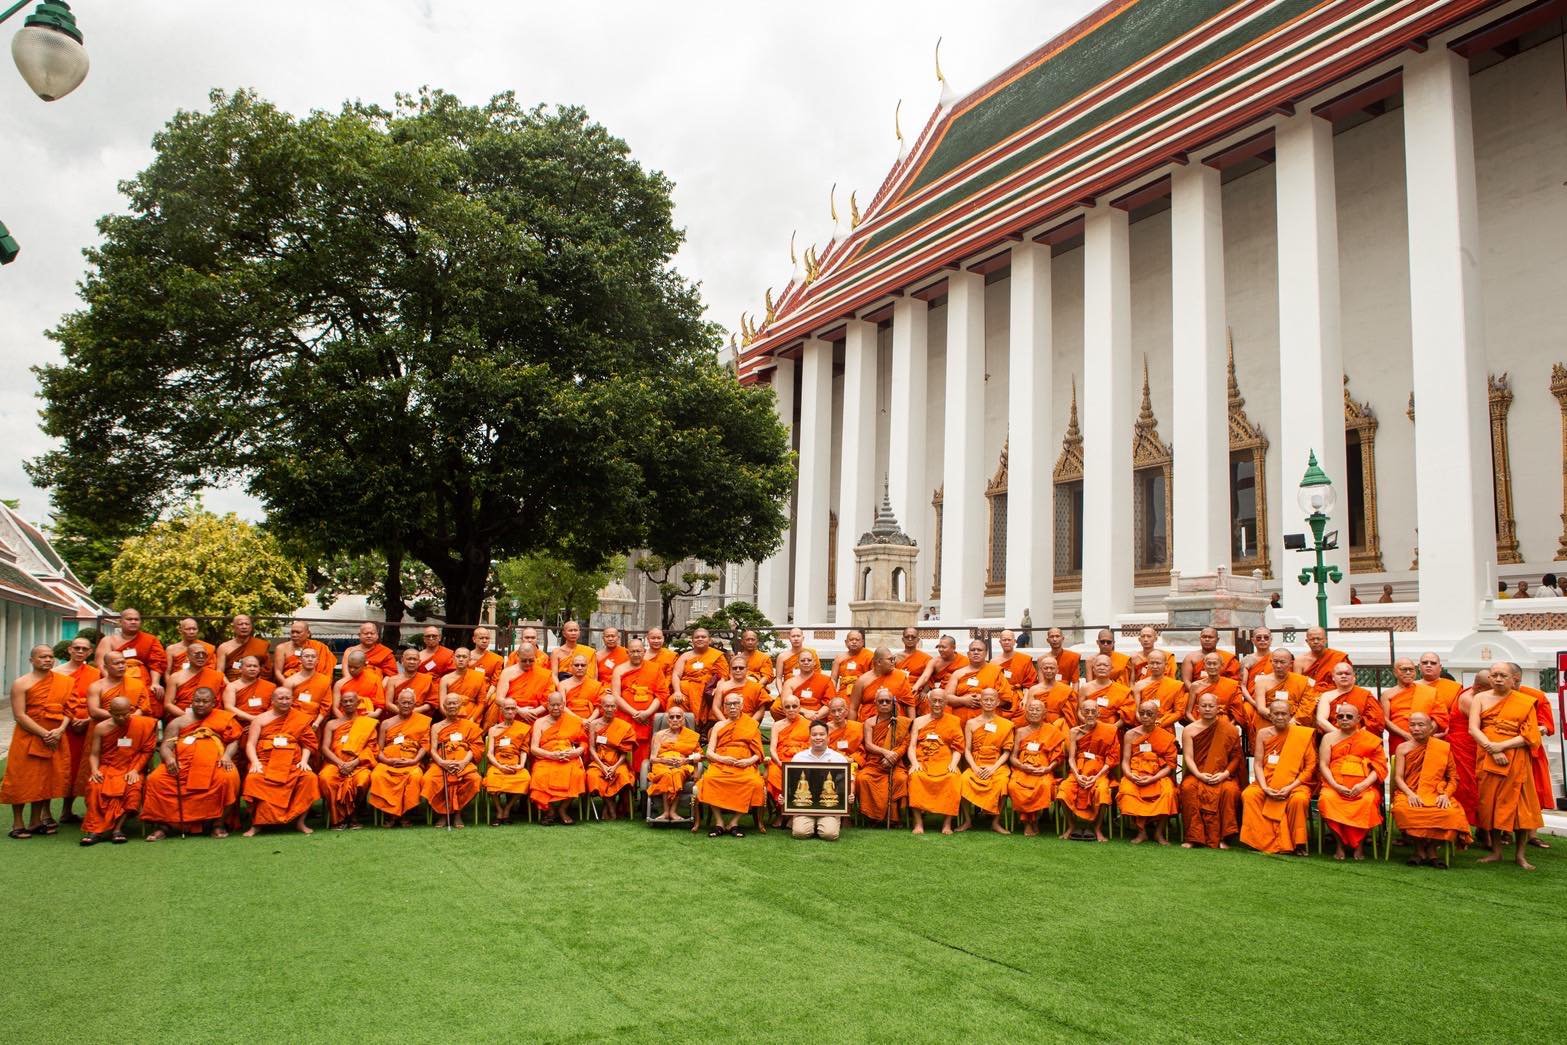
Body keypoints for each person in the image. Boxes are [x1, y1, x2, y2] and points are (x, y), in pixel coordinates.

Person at [142, 686, 243, 840]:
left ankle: (218, 823)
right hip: (182, 765)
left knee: (229, 778)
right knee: (155, 779)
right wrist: (169, 759)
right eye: (197, 701)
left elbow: (234, 740)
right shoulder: (178, 722)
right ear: (192, 701)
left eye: (205, 701)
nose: (200, 704)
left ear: (214, 703)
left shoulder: (224, 718)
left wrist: (227, 756)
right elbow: (166, 746)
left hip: (215, 764)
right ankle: (164, 825)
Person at [1470, 661, 1543, 870]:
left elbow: (1530, 735)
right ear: (1489, 678)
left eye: (1503, 675)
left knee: (1521, 808)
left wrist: (1501, 746)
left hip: (1516, 758)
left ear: (1514, 679)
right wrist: (1492, 749)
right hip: (1488, 756)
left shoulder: (1525, 702)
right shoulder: (1480, 698)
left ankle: (1520, 855)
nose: (1498, 679)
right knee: (1491, 804)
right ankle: (1496, 851)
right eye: (1494, 675)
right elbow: (1473, 728)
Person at [1, 645, 73, 838]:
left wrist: (60, 730)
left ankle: (35, 821)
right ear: (31, 660)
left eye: (50, 657)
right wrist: (44, 733)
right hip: (28, 736)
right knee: (20, 778)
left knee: (44, 779)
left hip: (55, 737)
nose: (48, 660)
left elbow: (69, 710)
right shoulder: (21, 683)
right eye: (42, 657)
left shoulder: (63, 682)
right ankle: (17, 824)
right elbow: (19, 715)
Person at [1391, 711, 1472, 866]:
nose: (1416, 728)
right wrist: (1410, 794)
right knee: (1404, 811)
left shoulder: (1442, 747)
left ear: (1430, 728)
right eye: (1412, 725)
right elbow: (1398, 778)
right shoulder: (1402, 748)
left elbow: (1453, 778)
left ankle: (1432, 848)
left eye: (1421, 725)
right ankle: (1419, 849)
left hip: (1436, 792)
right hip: (1409, 791)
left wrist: (1446, 795)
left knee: (1451, 813)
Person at [1239, 698, 1317, 856]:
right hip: (1267, 781)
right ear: (1270, 716)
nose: (1280, 717)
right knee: (1249, 795)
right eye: (1276, 714)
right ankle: (1259, 840)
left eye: (1283, 714)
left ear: (1290, 715)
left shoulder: (1301, 734)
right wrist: (1264, 787)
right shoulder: (1263, 734)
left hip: (1295, 784)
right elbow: (1258, 764)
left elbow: (1310, 767)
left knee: (1299, 799)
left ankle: (1297, 843)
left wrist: (1289, 787)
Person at [79, 696, 159, 846]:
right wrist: (95, 770)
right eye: (117, 715)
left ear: (131, 710)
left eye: (125, 714)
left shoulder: (142, 724)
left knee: (133, 787)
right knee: (95, 787)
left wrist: (135, 770)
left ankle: (118, 829)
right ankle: (95, 830)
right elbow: (94, 754)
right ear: (110, 712)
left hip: (132, 767)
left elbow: (147, 751)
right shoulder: (101, 727)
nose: (122, 718)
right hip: (108, 767)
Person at [241, 687, 319, 836]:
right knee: (253, 779)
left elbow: (308, 744)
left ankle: (300, 822)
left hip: (292, 764)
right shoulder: (260, 719)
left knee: (309, 778)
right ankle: (256, 824)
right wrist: (255, 762)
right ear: (272, 701)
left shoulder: (300, 718)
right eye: (280, 698)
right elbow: (250, 744)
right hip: (265, 762)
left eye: (287, 698)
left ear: (292, 700)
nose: (284, 701)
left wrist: (304, 761)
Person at [1317, 703, 1387, 861]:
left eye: (1349, 716)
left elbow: (1379, 767)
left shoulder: (1370, 739)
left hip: (1364, 787)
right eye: (1340, 716)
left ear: (1358, 719)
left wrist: (1363, 785)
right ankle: (1340, 844)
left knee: (1368, 801)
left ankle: (1359, 845)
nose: (1344, 719)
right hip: (1334, 786)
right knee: (1326, 799)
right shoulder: (1328, 738)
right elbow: (1323, 764)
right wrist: (1335, 785)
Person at [695, 691, 766, 836]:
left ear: (741, 706)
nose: (732, 707)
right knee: (709, 779)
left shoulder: (751, 725)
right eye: (729, 704)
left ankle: (734, 822)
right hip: (721, 764)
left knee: (754, 783)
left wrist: (748, 761)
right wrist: (722, 759)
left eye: (735, 703)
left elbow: (758, 753)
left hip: (744, 765)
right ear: (724, 708)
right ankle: (719, 822)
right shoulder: (718, 726)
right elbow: (709, 753)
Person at [1179, 693, 1243, 850]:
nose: (1207, 709)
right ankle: (1194, 837)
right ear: (1197, 708)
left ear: (1218, 708)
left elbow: (1236, 757)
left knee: (1230, 791)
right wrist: (1199, 775)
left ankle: (1224, 837)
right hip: (1198, 773)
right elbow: (1188, 757)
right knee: (1188, 788)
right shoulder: (1189, 730)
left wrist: (1225, 774)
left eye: (1211, 706)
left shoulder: (1230, 729)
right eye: (1204, 706)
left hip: (1223, 774)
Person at [1117, 699, 1178, 845]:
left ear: (1157, 715)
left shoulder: (1166, 736)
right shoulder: (1130, 734)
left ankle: (1158, 832)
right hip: (1135, 774)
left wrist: (1153, 778)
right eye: (1142, 713)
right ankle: (1141, 832)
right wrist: (1130, 775)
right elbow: (1125, 761)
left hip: (1157, 776)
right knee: (1127, 791)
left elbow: (1170, 765)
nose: (1145, 716)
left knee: (1168, 792)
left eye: (1149, 714)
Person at [369, 688, 431, 828]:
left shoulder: (423, 721)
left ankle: (405, 814)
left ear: (415, 704)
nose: (406, 705)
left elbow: (425, 746)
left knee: (415, 776)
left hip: (411, 762)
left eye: (409, 703)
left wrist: (414, 760)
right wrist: (386, 760)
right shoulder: (386, 723)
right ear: (397, 703)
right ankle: (390, 814)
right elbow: (378, 749)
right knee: (377, 775)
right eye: (403, 702)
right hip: (388, 762)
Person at [1059, 698, 1118, 842]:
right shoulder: (1075, 732)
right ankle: (1071, 826)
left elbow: (1112, 758)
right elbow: (1071, 758)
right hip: (1078, 771)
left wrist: (1096, 777)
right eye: (1086, 711)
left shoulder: (1110, 730)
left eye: (1093, 711)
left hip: (1099, 772)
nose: (1090, 714)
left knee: (1102, 791)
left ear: (1098, 713)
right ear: (1081, 713)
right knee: (1064, 789)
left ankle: (1097, 828)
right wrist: (1077, 775)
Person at [54, 636, 99, 824]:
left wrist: (88, 719)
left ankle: (68, 811)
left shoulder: (95, 673)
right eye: (77, 648)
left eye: (84, 649)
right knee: (62, 766)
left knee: (81, 767)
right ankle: (46, 813)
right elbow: (54, 700)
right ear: (70, 650)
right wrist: (70, 719)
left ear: (90, 652)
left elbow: (101, 699)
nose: (80, 652)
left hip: (88, 723)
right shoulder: (56, 673)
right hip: (63, 725)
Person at [907, 690, 964, 835]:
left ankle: (947, 824)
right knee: (915, 777)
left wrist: (953, 764)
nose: (937, 704)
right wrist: (914, 763)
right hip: (923, 761)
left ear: (946, 703)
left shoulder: (954, 721)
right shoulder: (918, 721)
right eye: (934, 701)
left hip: (944, 761)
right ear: (929, 701)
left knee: (953, 777)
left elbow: (958, 748)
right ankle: (918, 823)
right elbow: (912, 746)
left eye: (941, 701)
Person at [423, 692, 483, 828]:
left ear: (460, 706)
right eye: (449, 704)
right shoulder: (436, 726)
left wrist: (463, 763)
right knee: (429, 779)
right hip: (441, 762)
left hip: (463, 763)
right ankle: (443, 814)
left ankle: (457, 813)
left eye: (455, 703)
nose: (452, 706)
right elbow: (432, 750)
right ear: (444, 707)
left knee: (474, 779)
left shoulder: (469, 725)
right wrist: (442, 763)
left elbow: (476, 747)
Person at [319, 690, 378, 830]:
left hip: (359, 765)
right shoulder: (332, 724)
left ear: (358, 703)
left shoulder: (367, 724)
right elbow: (325, 748)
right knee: (326, 778)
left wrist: (353, 763)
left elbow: (371, 749)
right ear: (340, 704)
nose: (348, 703)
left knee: (362, 780)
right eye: (345, 701)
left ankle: (354, 816)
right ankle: (337, 818)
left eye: (351, 700)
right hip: (334, 764)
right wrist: (340, 763)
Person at [958, 688, 1013, 833]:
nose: (988, 702)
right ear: (981, 702)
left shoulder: (1006, 724)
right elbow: (967, 750)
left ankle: (995, 822)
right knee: (964, 779)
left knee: (1002, 782)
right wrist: (975, 768)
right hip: (976, 763)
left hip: (997, 764)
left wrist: (993, 768)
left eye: (991, 700)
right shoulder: (971, 723)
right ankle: (967, 821)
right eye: (985, 700)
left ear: (997, 702)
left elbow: (1006, 752)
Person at [1008, 698, 1066, 836]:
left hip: (1043, 770)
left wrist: (1048, 769)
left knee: (1044, 785)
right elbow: (1012, 757)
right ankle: (1027, 823)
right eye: (1031, 709)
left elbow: (1058, 757)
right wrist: (1022, 766)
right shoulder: (1020, 731)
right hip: (1022, 769)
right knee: (1014, 786)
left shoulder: (1052, 731)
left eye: (1037, 710)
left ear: (1044, 713)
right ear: (1026, 712)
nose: (1034, 712)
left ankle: (1035, 820)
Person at [611, 638, 670, 772]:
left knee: (647, 748)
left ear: (644, 652)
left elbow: (662, 694)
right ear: (627, 653)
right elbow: (615, 696)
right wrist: (634, 713)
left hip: (648, 718)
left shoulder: (654, 668)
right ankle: (628, 777)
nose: (636, 654)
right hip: (626, 716)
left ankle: (644, 776)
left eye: (639, 651)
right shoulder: (619, 670)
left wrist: (647, 713)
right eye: (633, 651)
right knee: (627, 745)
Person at [529, 691, 587, 824]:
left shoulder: (573, 721)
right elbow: (533, 748)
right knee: (540, 775)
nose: (556, 708)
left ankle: (563, 809)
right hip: (546, 758)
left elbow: (583, 742)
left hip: (568, 757)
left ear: (564, 704)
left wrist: (576, 752)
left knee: (577, 774)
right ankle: (550, 811)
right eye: (552, 705)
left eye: (559, 705)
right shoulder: (539, 722)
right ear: (547, 705)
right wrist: (551, 755)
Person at [858, 688, 912, 825]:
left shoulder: (901, 722)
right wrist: (885, 753)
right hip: (875, 763)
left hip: (895, 763)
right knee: (863, 778)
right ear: (875, 703)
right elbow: (869, 745)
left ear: (893, 703)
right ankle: (873, 817)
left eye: (887, 701)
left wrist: (893, 757)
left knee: (900, 779)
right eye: (881, 701)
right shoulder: (870, 722)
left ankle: (894, 817)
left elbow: (905, 744)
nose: (884, 704)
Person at [789, 721, 849, 841]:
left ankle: (823, 824)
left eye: (821, 734)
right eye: (814, 734)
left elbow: (845, 783)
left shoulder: (838, 758)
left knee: (829, 835)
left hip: (828, 807)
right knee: (800, 833)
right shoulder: (799, 758)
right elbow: (792, 784)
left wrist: (849, 796)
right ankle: (808, 824)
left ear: (828, 737)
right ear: (809, 737)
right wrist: (786, 796)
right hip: (805, 807)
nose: (818, 737)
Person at [96, 608, 167, 699]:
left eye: (136, 619)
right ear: (120, 622)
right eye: (129, 619)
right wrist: (114, 683)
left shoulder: (150, 639)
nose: (133, 622)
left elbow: (157, 663)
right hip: (114, 682)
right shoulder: (108, 641)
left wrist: (155, 682)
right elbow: (102, 664)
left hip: (143, 682)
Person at [586, 692, 636, 819]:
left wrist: (614, 767)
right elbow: (591, 748)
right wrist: (602, 766)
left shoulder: (624, 726)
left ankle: (608, 808)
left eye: (612, 706)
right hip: (599, 760)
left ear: (616, 708)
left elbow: (625, 751)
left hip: (618, 761)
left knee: (622, 775)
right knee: (593, 776)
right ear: (601, 707)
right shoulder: (594, 724)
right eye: (606, 706)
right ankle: (610, 806)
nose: (609, 709)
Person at [483, 698, 533, 825]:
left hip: (515, 764)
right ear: (501, 710)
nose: (510, 711)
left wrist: (521, 765)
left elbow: (524, 750)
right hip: (497, 764)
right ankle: (499, 810)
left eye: (513, 708)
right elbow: (489, 753)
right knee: (491, 778)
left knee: (525, 778)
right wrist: (499, 766)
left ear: (516, 710)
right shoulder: (494, 729)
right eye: (507, 708)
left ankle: (507, 809)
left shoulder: (523, 728)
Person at [646, 705, 701, 821]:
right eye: (672, 717)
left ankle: (673, 811)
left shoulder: (690, 735)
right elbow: (652, 758)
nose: (675, 719)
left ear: (683, 719)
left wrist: (685, 760)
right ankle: (666, 812)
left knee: (677, 773)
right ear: (668, 720)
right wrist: (664, 760)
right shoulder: (659, 735)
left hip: (681, 765)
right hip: (661, 765)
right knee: (666, 775)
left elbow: (699, 756)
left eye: (678, 717)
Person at [1448, 670, 1488, 826]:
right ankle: (1463, 825)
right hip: (1463, 746)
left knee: (1481, 786)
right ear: (1479, 687)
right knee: (1467, 787)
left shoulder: (1477, 695)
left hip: (1476, 746)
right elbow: (1486, 721)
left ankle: (1484, 827)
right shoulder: (1468, 699)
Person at [766, 694, 811, 821]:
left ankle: (793, 812)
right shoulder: (777, 725)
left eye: (794, 706)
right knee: (773, 773)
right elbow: (772, 749)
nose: (791, 709)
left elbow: (811, 748)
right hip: (780, 760)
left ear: (799, 708)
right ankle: (781, 811)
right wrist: (778, 762)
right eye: (787, 707)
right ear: (783, 709)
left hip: (801, 761)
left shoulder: (808, 724)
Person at [671, 628, 726, 728]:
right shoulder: (685, 656)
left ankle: (702, 729)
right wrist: (677, 691)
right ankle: (678, 730)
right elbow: (676, 675)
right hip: (685, 692)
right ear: (692, 640)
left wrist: (718, 688)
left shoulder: (717, 655)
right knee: (673, 701)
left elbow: (724, 676)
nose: (700, 639)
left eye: (703, 637)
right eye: (697, 637)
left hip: (707, 692)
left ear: (709, 640)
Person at [948, 638, 1013, 722]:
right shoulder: (958, 673)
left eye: (979, 650)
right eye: (973, 650)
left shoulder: (995, 671)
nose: (976, 652)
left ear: (986, 653)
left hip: (989, 722)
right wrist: (963, 700)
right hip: (962, 720)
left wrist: (986, 700)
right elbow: (947, 697)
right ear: (968, 654)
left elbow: (1006, 699)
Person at [1382, 657, 1438, 755]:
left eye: (1411, 669)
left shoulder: (1429, 692)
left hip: (1425, 740)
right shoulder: (1387, 694)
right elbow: (1384, 720)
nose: (1408, 672)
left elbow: (1439, 717)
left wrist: (1424, 735)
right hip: (1399, 739)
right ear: (1395, 672)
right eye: (1404, 669)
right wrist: (1406, 735)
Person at [1314, 661, 1384, 737]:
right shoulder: (1327, 696)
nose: (1343, 676)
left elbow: (1377, 721)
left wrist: (1357, 736)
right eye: (1339, 673)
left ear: (1354, 676)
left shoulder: (1365, 695)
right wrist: (1341, 735)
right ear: (1333, 677)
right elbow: (1321, 720)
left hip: (1359, 738)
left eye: (1347, 673)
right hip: (1334, 737)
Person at [1250, 649, 1315, 728]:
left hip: (1295, 721)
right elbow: (1261, 708)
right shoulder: (1262, 681)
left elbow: (1307, 706)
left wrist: (1293, 720)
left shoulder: (1302, 681)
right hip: (1269, 719)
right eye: (1275, 662)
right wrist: (1279, 719)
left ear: (1291, 664)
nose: (1278, 666)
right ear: (1271, 662)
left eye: (1282, 662)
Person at [87, 650, 157, 721]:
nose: (121, 666)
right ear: (105, 667)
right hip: (106, 723)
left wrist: (130, 718)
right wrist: (119, 717)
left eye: (123, 663)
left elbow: (144, 707)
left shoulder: (137, 683)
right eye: (116, 663)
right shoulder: (96, 687)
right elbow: (94, 711)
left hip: (132, 721)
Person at [164, 643, 226, 722]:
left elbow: (223, 702)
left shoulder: (216, 676)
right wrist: (186, 717)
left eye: (204, 654)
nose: (201, 657)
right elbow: (168, 704)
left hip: (210, 717)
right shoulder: (175, 677)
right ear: (188, 656)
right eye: (197, 654)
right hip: (184, 716)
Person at [849, 646, 914, 721]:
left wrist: (912, 725)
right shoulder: (862, 681)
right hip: (869, 723)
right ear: (879, 662)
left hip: (895, 723)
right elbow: (853, 708)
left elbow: (910, 704)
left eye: (894, 659)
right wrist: (851, 727)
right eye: (890, 659)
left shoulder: (900, 676)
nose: (893, 662)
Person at [494, 643, 552, 724]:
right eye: (524, 660)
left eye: (531, 660)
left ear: (535, 656)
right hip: (512, 714)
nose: (528, 663)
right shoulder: (507, 673)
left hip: (535, 717)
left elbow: (549, 700)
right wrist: (519, 710)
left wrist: (533, 712)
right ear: (518, 656)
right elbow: (499, 699)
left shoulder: (544, 674)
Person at [281, 646, 333, 731]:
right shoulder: (290, 681)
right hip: (293, 722)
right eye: (306, 656)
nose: (310, 659)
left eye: (313, 657)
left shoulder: (325, 680)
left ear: (317, 661)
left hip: (314, 723)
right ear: (300, 660)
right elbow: (284, 704)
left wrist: (317, 722)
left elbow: (326, 705)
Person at [1131, 651, 1187, 730]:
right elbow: (1136, 711)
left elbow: (1179, 712)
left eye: (1158, 663)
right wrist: (1146, 723)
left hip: (1166, 726)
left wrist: (1160, 723)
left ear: (1166, 665)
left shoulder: (1176, 685)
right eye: (1152, 663)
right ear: (1148, 665)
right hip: (1144, 727)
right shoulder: (1139, 685)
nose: (1155, 666)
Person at [1077, 653, 1133, 731]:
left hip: (1113, 729)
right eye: (1098, 665)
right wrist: (1090, 724)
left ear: (1111, 669)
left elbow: (1127, 714)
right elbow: (1080, 711)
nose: (1102, 668)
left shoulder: (1122, 690)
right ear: (1093, 669)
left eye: (1106, 665)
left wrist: (1111, 728)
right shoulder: (1085, 688)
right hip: (1089, 728)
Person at [777, 649, 832, 722]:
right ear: (798, 663)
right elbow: (786, 704)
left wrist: (817, 716)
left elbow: (830, 703)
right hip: (796, 718)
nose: (806, 662)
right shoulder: (789, 683)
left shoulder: (825, 680)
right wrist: (805, 712)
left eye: (809, 660)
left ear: (814, 662)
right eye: (802, 660)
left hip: (820, 720)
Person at [222, 655, 276, 727]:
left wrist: (262, 719)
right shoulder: (232, 687)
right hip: (240, 723)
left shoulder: (270, 686)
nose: (252, 669)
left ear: (259, 669)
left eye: (255, 666)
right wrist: (252, 718)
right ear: (240, 669)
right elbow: (229, 707)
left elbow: (274, 706)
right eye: (249, 666)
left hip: (265, 722)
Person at [1415, 653, 1461, 736]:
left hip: (1443, 735)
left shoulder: (1454, 687)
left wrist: (1445, 732)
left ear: (1440, 667)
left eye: (1433, 663)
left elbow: (1457, 716)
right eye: (1425, 663)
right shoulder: (1411, 687)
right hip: (1413, 733)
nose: (1428, 665)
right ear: (1419, 667)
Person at [440, 647, 491, 722]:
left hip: (471, 716)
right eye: (458, 656)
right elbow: (442, 704)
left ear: (469, 659)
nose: (461, 659)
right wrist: (450, 719)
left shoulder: (479, 676)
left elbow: (481, 703)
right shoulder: (445, 679)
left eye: (464, 657)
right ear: (453, 659)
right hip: (450, 717)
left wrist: (472, 719)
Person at [335, 648, 388, 720]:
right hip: (345, 719)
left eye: (356, 667)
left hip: (367, 718)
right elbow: (335, 708)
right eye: (350, 666)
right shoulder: (340, 683)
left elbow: (380, 703)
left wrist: (376, 713)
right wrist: (345, 721)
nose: (352, 670)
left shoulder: (374, 679)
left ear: (365, 665)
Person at [217, 614, 271, 681]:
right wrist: (229, 685)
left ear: (251, 627)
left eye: (247, 624)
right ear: (233, 627)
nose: (244, 627)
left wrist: (256, 684)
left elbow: (267, 669)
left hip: (256, 683)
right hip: (231, 682)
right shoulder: (223, 647)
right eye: (240, 624)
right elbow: (219, 672)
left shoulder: (261, 645)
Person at [1296, 626, 1351, 692]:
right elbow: (1297, 686)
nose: (1316, 641)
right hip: (1308, 696)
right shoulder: (1300, 661)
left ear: (1326, 640)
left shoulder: (1338, 657)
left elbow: (1346, 682)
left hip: (1334, 695)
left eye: (1319, 639)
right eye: (1312, 639)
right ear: (1307, 641)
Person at [1027, 655, 1077, 727]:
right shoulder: (1034, 690)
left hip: (1060, 727)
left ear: (1057, 670)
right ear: (1041, 670)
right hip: (1039, 726)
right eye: (1046, 668)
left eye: (1052, 668)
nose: (1049, 671)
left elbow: (1070, 716)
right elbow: (1029, 713)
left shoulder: (1066, 690)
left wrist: (1059, 723)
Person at [831, 629, 873, 703]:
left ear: (862, 642)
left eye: (857, 640)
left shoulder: (869, 656)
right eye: (851, 640)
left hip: (862, 692)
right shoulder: (839, 658)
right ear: (846, 642)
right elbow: (833, 680)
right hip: (843, 693)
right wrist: (832, 696)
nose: (854, 642)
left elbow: (874, 677)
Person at [470, 626, 506, 695]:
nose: (484, 641)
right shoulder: (465, 657)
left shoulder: (497, 659)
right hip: (467, 691)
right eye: (481, 638)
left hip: (487, 692)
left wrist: (486, 697)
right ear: (474, 639)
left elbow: (494, 683)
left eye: (487, 638)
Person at [1242, 627, 1274, 692]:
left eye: (1266, 637)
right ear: (1253, 640)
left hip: (1273, 695)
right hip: (1252, 696)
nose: (1262, 640)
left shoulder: (1277, 658)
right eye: (1258, 638)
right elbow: (1243, 686)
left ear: (1271, 640)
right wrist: (1251, 699)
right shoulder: (1247, 659)